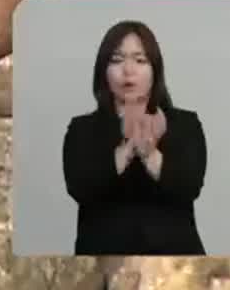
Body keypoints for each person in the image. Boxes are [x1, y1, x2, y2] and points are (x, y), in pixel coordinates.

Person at [61, 20, 207, 255]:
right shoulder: (82, 128)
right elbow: (80, 188)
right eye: (117, 60)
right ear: (103, 70)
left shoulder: (184, 124)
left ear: (155, 69)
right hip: (102, 261)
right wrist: (127, 149)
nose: (128, 71)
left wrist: (150, 154)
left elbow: (189, 187)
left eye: (140, 60)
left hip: (175, 263)